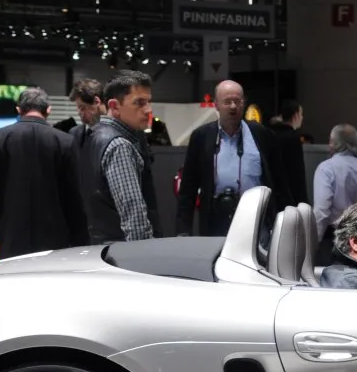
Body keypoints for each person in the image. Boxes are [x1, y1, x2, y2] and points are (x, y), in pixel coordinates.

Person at [0, 87, 88, 258]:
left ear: (19, 109)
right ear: (48, 109)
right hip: (54, 238)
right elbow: (74, 195)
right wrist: (80, 239)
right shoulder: (66, 141)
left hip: (9, 234)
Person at [175, 79, 280, 237]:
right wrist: (183, 230)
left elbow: (279, 182)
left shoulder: (261, 134)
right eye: (227, 102)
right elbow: (188, 188)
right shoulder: (201, 137)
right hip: (215, 223)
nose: (233, 106)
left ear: (243, 103)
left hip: (257, 224)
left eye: (237, 101)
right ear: (216, 105)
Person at [84, 71, 159, 243]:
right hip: (120, 249)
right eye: (139, 103)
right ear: (115, 106)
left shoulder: (93, 136)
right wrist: (143, 252)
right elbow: (134, 215)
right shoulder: (119, 146)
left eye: (149, 102)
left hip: (98, 246)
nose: (148, 110)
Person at [311, 124, 357, 259]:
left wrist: (313, 242)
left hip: (332, 238)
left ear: (334, 143)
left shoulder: (326, 169)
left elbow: (321, 210)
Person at [269, 98, 308, 205]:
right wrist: (303, 200)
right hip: (290, 195)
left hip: (274, 192)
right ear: (296, 115)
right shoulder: (293, 137)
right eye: (301, 114)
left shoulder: (271, 134)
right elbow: (297, 172)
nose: (302, 118)